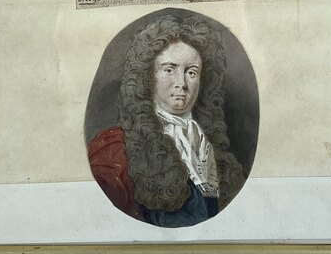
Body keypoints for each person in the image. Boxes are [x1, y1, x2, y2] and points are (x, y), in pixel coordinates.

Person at [87, 14, 245, 227]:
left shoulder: (209, 146)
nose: (181, 83)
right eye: (169, 70)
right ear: (147, 77)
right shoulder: (113, 150)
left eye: (191, 72)